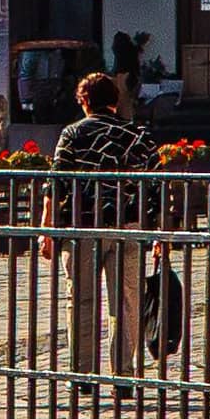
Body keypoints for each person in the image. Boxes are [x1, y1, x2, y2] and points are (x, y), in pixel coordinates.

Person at [51, 64, 150, 383]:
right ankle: (122, 372)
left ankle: (82, 374)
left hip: (83, 227)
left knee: (80, 301)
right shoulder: (137, 134)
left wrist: (46, 230)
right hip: (128, 224)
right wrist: (160, 231)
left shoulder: (73, 133)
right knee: (126, 302)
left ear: (83, 102)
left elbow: (57, 183)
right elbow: (156, 182)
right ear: (115, 100)